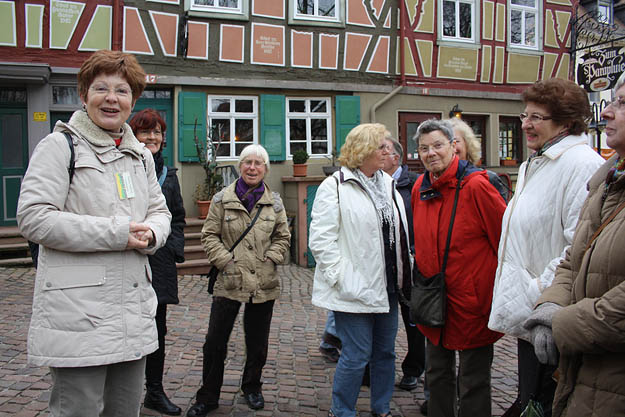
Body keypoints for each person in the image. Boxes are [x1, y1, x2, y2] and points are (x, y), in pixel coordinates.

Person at [16, 50, 172, 416]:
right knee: (79, 410)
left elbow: (159, 211)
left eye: (122, 90)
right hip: (78, 315)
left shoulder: (140, 155)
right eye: (101, 88)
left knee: (124, 411)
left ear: (132, 99)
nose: (111, 98)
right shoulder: (59, 146)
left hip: (132, 311)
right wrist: (117, 233)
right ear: (84, 94)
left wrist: (151, 233)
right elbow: (34, 218)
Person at [487, 78, 604, 417]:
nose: (525, 124)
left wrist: (539, 292)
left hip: (550, 315)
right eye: (525, 115)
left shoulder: (581, 164)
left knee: (542, 405)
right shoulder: (536, 163)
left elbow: (579, 244)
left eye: (537, 117)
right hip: (532, 313)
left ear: (566, 121)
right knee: (530, 403)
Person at [521, 71, 625, 417]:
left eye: (622, 104)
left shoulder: (583, 166)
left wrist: (554, 317)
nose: (607, 111)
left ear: (564, 122)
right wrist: (548, 305)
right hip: (558, 331)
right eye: (611, 101)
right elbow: (575, 257)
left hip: (588, 347)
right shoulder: (607, 179)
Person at [309, 123, 412, 417]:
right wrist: (341, 278)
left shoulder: (388, 183)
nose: (388, 151)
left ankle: (381, 409)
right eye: (381, 146)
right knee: (356, 355)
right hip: (353, 288)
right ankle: (341, 411)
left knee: (385, 353)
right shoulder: (336, 185)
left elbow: (397, 234)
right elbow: (321, 240)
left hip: (388, 287)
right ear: (363, 149)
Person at [411, 119, 506, 417]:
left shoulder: (477, 186)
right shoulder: (420, 186)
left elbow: (504, 241)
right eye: (424, 149)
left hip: (472, 301)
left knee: (473, 379)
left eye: (437, 145)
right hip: (433, 298)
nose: (431, 154)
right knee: (437, 372)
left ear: (453, 146)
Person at [186, 144, 290, 417]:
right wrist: (225, 262)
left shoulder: (274, 202)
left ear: (266, 169)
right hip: (229, 279)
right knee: (215, 342)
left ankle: (252, 387)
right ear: (240, 166)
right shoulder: (222, 199)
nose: (252, 167)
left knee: (257, 341)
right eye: (247, 162)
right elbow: (209, 236)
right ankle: (208, 396)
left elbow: (282, 237)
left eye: (258, 163)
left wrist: (270, 258)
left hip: (262, 280)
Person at [129, 109, 186, 416]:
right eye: (145, 132)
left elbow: (177, 217)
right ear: (134, 135)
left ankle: (154, 391)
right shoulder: (123, 165)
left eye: (157, 133)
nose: (151, 137)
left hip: (159, 263)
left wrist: (174, 248)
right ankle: (119, 393)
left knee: (157, 330)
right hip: (126, 257)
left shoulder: (170, 176)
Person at [381, 136, 425, 392]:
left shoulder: (414, 185)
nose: (378, 153)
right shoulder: (375, 183)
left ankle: (414, 368)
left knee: (413, 322)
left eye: (383, 150)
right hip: (385, 265)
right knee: (380, 320)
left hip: (411, 265)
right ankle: (372, 369)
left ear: (395, 158)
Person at [449, 117, 510, 202]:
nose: (451, 147)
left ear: (468, 145)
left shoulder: (488, 179)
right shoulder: (431, 183)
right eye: (444, 143)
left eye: (456, 141)